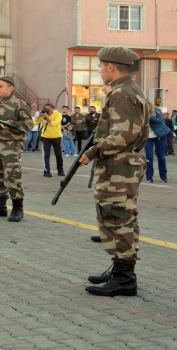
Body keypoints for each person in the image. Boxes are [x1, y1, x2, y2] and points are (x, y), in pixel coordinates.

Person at [78, 47, 150, 297]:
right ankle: (120, 268)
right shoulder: (130, 90)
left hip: (119, 166)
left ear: (110, 67)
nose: (99, 71)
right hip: (121, 165)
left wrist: (93, 151)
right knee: (121, 216)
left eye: (100, 66)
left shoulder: (122, 94)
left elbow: (123, 135)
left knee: (117, 217)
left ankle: (124, 279)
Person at [0, 75, 33, 222]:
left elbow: (29, 124)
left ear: (11, 88)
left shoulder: (19, 104)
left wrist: (12, 123)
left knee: (11, 176)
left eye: (0, 86)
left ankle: (17, 208)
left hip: (11, 145)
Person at [35, 103, 64, 177]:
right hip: (45, 137)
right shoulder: (43, 115)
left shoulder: (58, 114)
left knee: (59, 155)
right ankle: (46, 171)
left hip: (57, 137)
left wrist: (46, 117)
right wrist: (40, 116)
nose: (47, 111)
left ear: (53, 108)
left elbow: (54, 124)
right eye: (46, 109)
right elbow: (34, 123)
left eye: (49, 109)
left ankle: (60, 170)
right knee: (46, 155)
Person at [144, 107, 170, 183]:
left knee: (161, 156)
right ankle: (149, 176)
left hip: (160, 135)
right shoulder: (139, 112)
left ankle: (163, 176)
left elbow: (159, 121)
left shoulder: (156, 110)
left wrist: (148, 116)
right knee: (149, 157)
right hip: (148, 137)